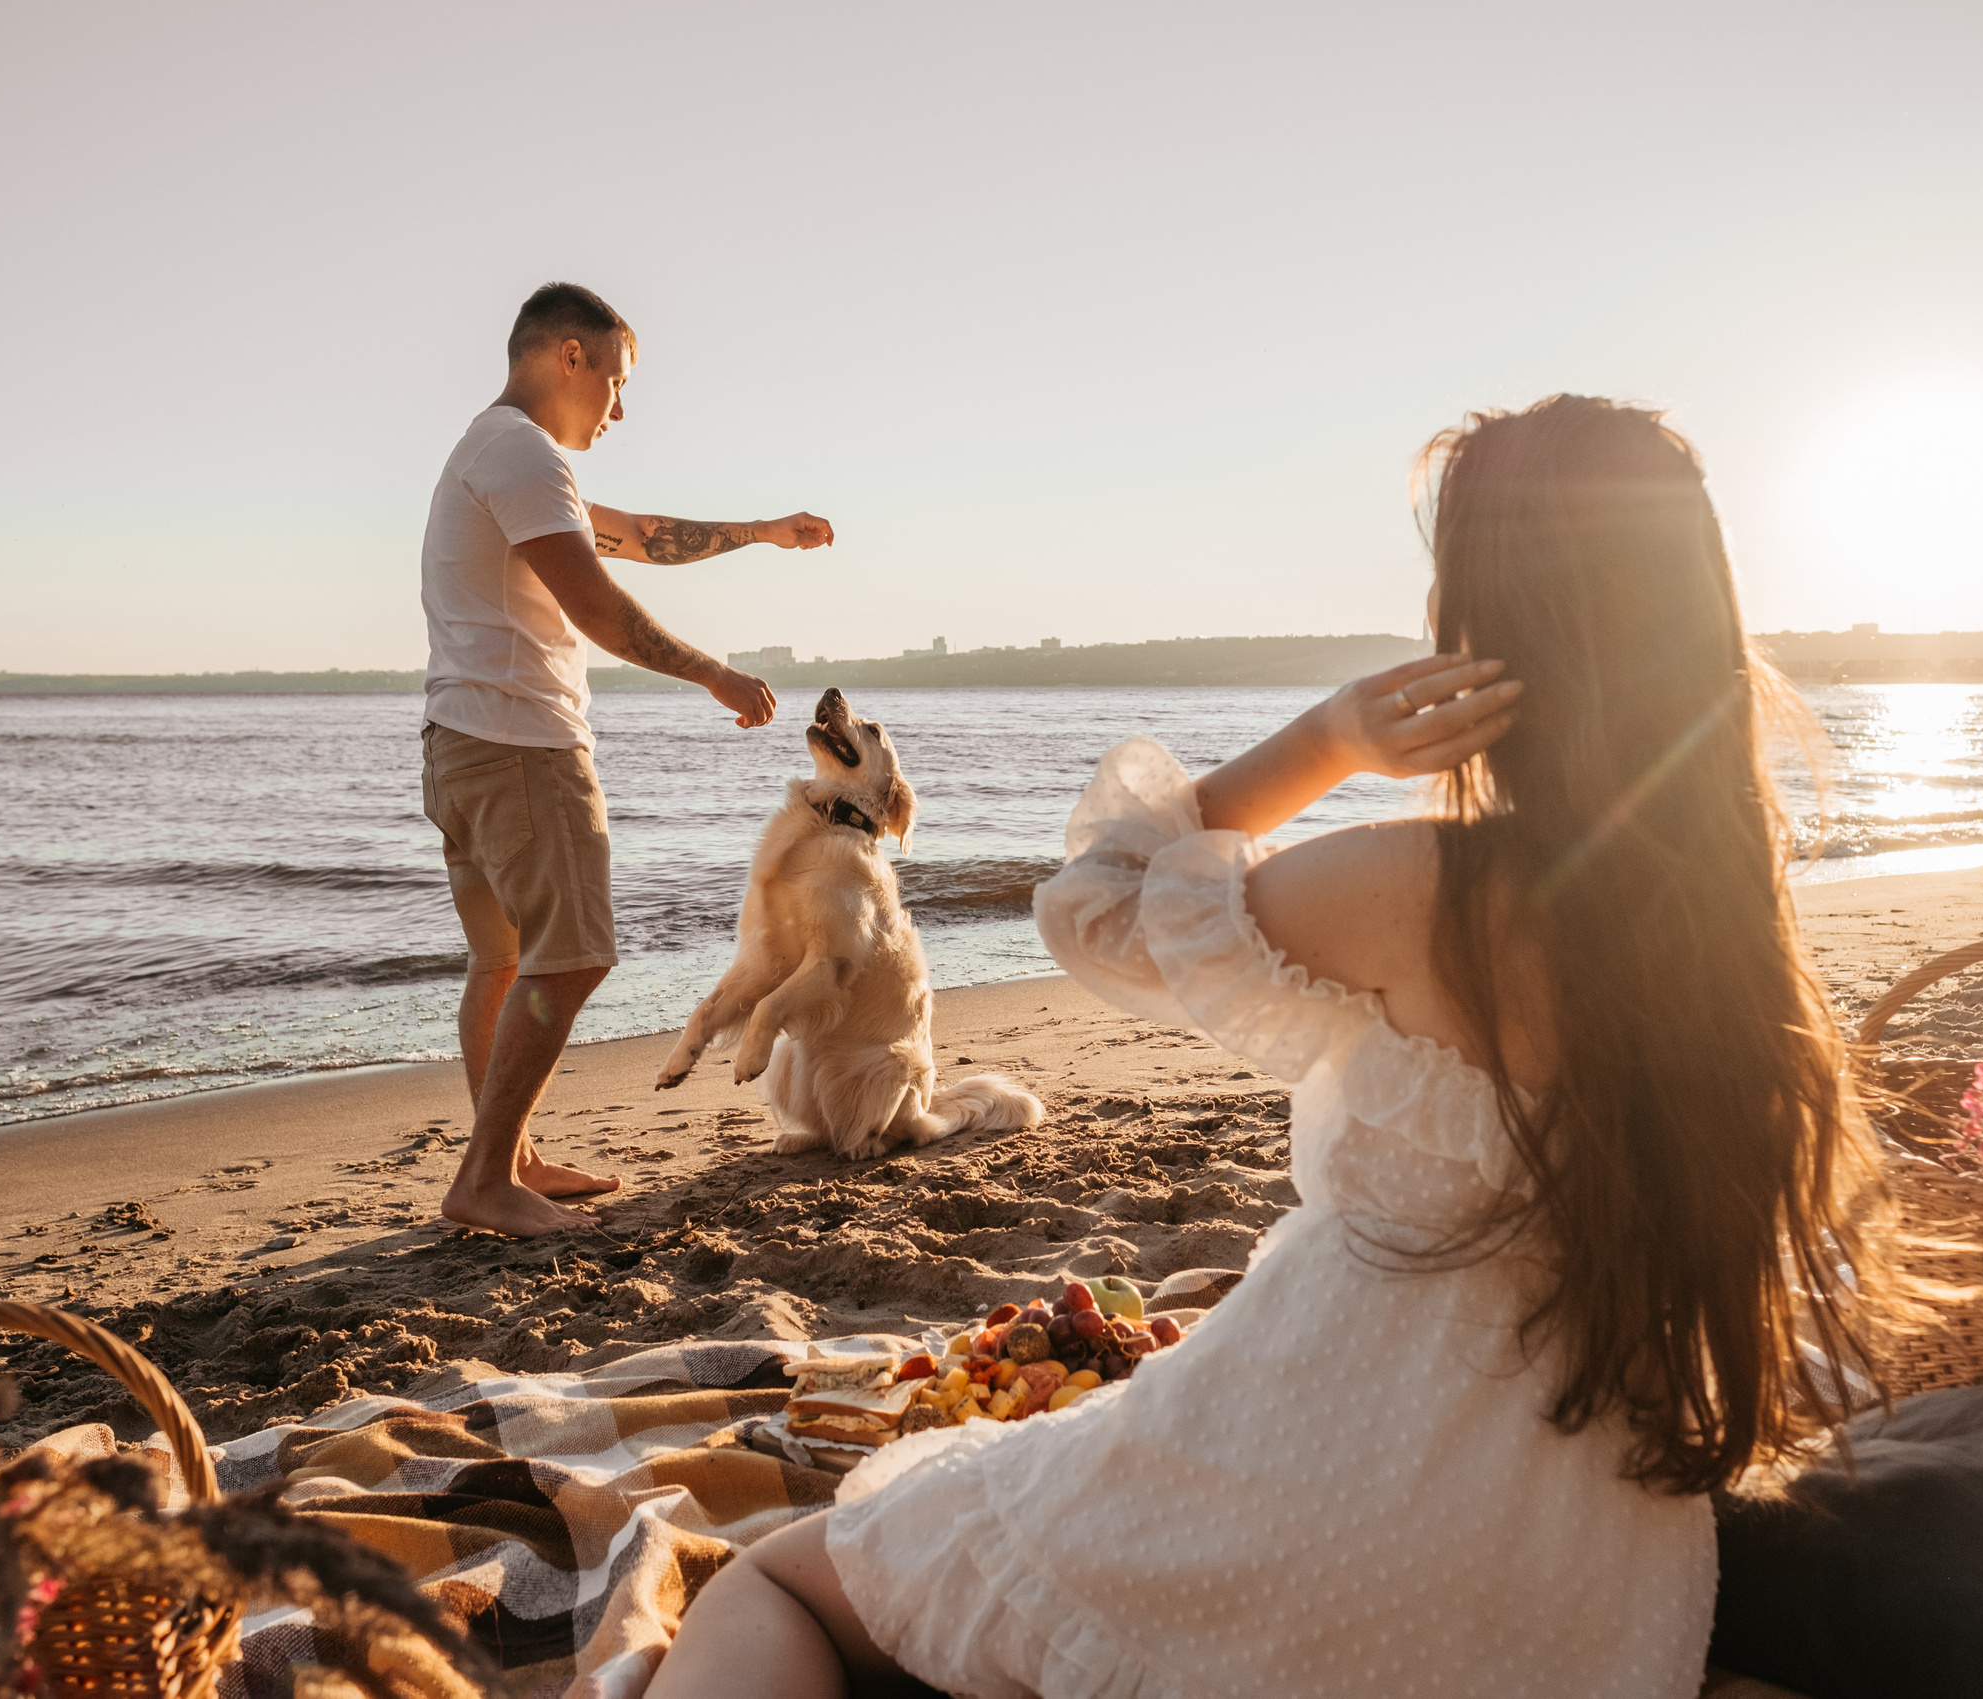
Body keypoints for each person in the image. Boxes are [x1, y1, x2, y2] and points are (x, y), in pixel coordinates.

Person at [645, 396, 1886, 1698]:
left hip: (1328, 1488)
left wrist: (1327, 740)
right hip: (1576, 1571)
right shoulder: (1736, 954)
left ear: (1489, 629)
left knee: (774, 1577)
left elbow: (1096, 904)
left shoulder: (1431, 894)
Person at [422, 281, 832, 1240]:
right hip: (522, 745)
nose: (620, 406)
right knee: (572, 961)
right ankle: (485, 1176)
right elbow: (599, 607)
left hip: (462, 744)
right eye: (616, 379)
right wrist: (714, 675)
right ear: (571, 355)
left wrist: (761, 531)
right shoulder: (520, 450)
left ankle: (510, 1157)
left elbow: (642, 538)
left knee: (506, 961)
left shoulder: (502, 455)